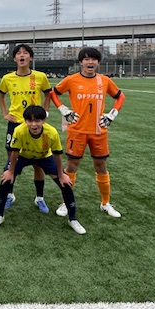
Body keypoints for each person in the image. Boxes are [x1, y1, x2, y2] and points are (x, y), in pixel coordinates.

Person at [50, 47, 126, 218]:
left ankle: (105, 203)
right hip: (77, 131)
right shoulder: (71, 80)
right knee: (72, 165)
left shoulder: (104, 81)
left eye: (93, 59)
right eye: (86, 59)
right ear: (80, 62)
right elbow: (53, 93)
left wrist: (112, 114)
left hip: (98, 131)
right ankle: (65, 202)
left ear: (98, 62)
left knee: (101, 166)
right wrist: (63, 110)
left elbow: (120, 97)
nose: (90, 62)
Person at [0, 105, 86, 234]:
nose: (33, 124)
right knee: (5, 180)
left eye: (37, 121)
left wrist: (61, 174)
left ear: (44, 120)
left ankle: (72, 219)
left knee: (65, 184)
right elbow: (15, 152)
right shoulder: (19, 130)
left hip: (44, 156)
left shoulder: (51, 132)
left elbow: (57, 154)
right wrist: (10, 171)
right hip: (23, 156)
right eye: (30, 121)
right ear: (25, 121)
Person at [0, 44, 51, 213]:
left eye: (25, 53)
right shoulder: (7, 78)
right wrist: (5, 113)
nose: (22, 55)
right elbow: (1, 95)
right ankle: (10, 194)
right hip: (15, 124)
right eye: (18, 53)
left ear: (30, 57)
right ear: (14, 58)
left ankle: (39, 197)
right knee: (11, 159)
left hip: (34, 123)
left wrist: (45, 113)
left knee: (38, 161)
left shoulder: (40, 77)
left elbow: (48, 94)